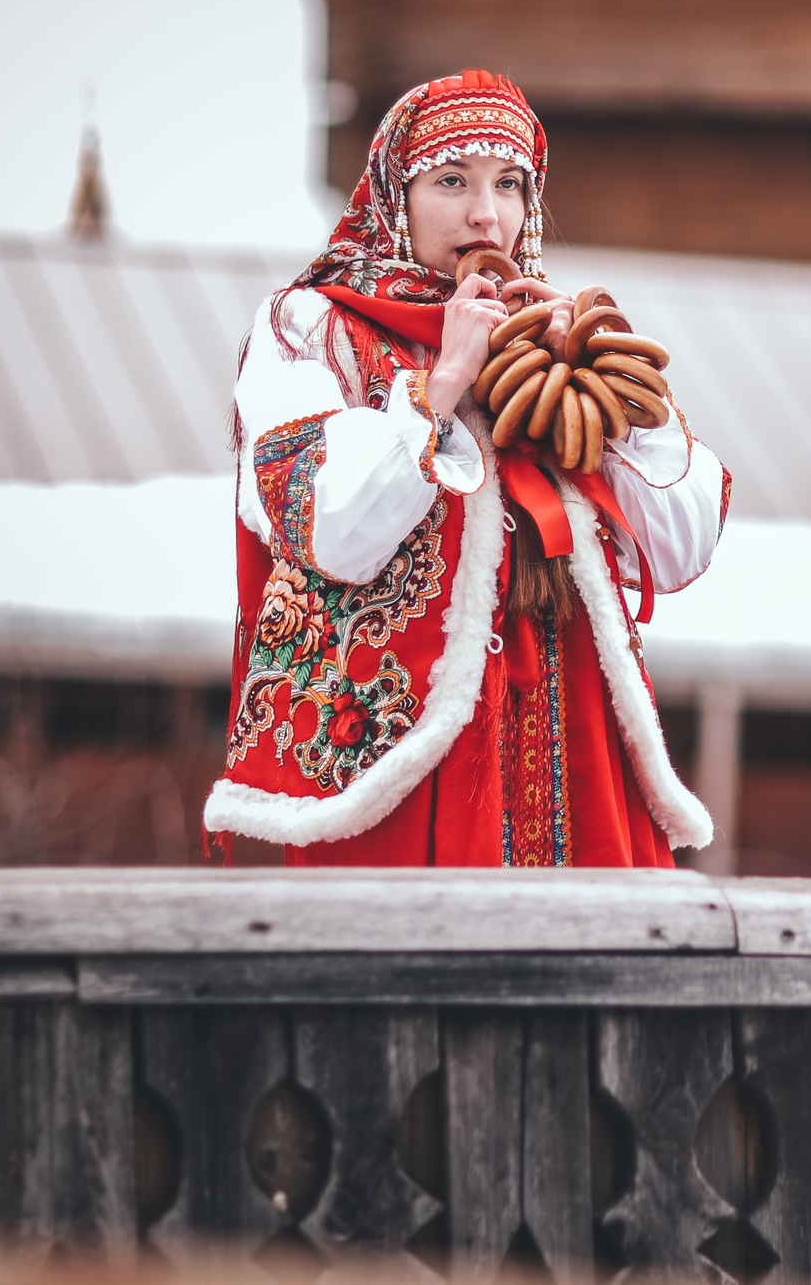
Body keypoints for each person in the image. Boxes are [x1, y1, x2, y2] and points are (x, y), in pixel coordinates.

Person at [202, 71, 724, 866]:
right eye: (453, 181)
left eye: (509, 185)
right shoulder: (314, 327)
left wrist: (622, 410)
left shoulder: (554, 349)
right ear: (394, 197)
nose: (488, 214)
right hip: (397, 773)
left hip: (570, 751)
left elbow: (678, 551)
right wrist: (440, 385)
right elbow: (330, 527)